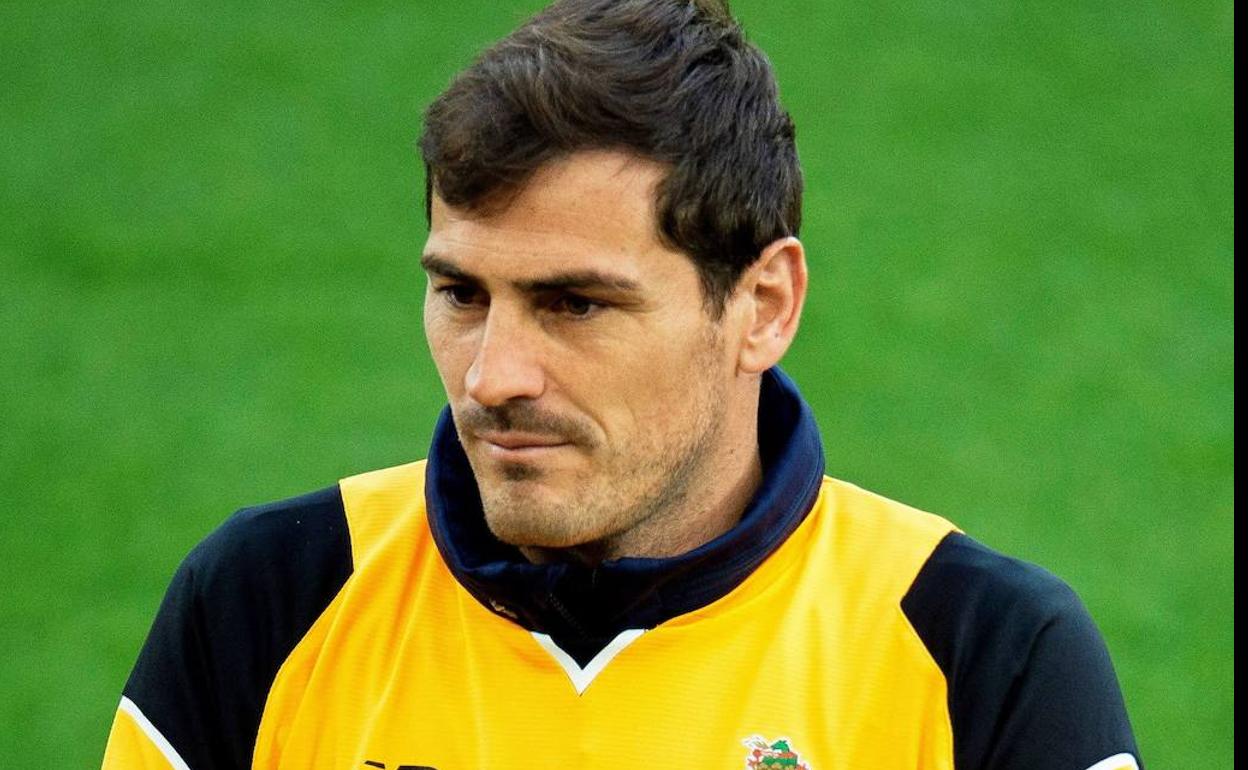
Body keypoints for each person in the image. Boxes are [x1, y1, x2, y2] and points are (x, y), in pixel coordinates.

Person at [102, 1, 1143, 768]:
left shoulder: (981, 653)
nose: (491, 375)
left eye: (575, 304)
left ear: (763, 306)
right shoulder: (270, 600)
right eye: (461, 293)